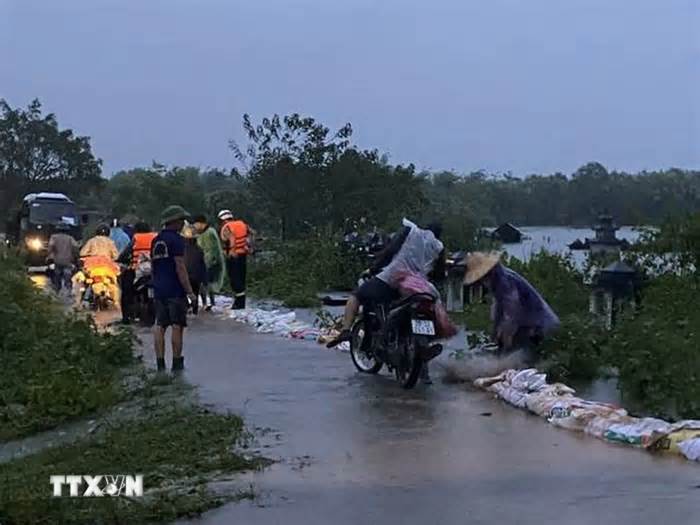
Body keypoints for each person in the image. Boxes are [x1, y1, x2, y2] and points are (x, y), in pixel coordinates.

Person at [327, 219, 445, 383]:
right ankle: (423, 360)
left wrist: (374, 268)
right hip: (421, 287)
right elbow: (440, 274)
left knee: (357, 295)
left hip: (394, 280)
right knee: (432, 311)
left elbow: (390, 252)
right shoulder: (439, 246)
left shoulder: (411, 231)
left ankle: (346, 330)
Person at [463, 252, 560, 353]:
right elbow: (499, 311)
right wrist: (496, 332)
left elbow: (513, 312)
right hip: (531, 325)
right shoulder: (499, 282)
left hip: (539, 326)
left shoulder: (506, 281)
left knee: (522, 356)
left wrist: (506, 336)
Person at [151, 205, 197, 372]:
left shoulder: (156, 240)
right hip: (175, 289)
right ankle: (177, 364)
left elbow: (153, 266)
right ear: (175, 221)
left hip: (159, 288)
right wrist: (190, 292)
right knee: (177, 325)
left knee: (160, 325)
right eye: (181, 220)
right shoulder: (177, 240)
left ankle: (160, 364)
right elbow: (180, 267)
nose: (183, 223)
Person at [117, 222, 156, 324]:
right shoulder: (155, 237)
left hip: (137, 270)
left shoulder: (136, 238)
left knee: (126, 292)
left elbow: (125, 253)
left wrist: (120, 259)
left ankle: (126, 318)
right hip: (154, 270)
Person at [78, 224, 121, 307]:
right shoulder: (110, 242)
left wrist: (90, 255)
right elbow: (116, 256)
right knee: (114, 281)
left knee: (86, 281)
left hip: (92, 267)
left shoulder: (92, 241)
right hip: (108, 267)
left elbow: (82, 253)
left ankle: (84, 298)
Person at [218, 209, 252, 310]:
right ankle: (240, 303)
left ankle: (239, 304)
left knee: (234, 279)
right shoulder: (242, 224)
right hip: (243, 254)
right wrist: (248, 246)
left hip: (233, 255)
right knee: (241, 278)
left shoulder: (227, 227)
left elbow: (232, 238)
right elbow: (251, 233)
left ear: (222, 220)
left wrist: (232, 250)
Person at [192, 214, 225, 311]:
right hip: (202, 262)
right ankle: (205, 303)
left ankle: (210, 303)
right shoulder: (201, 233)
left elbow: (213, 250)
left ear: (201, 223)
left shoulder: (210, 232)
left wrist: (208, 262)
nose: (195, 226)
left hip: (211, 262)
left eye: (196, 224)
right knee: (203, 284)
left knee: (206, 284)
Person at [181, 224, 207, 314]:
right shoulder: (199, 249)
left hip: (185, 276)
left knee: (182, 293)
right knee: (195, 293)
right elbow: (202, 265)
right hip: (196, 276)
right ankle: (194, 309)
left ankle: (188, 307)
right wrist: (204, 278)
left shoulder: (180, 249)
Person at [47, 229, 78, 293]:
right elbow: (75, 247)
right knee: (68, 277)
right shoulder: (70, 238)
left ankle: (56, 291)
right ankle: (68, 291)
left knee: (56, 276)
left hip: (57, 261)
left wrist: (49, 255)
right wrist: (75, 256)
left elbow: (50, 247)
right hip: (68, 261)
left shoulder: (54, 237)